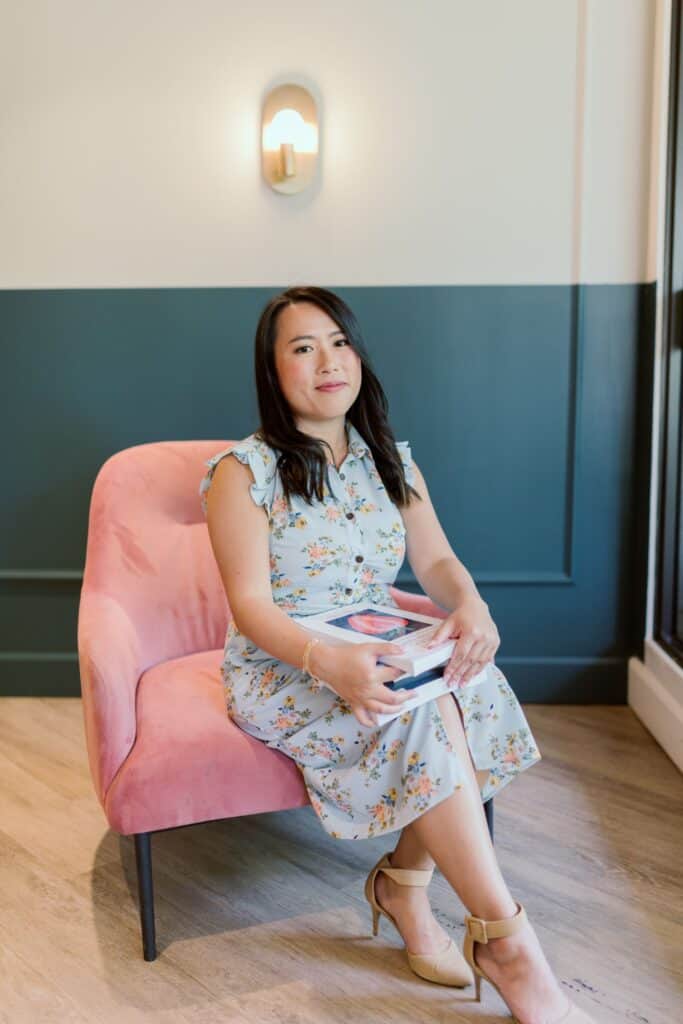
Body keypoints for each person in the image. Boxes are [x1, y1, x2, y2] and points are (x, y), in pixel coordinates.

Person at [199, 285, 595, 1023]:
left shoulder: (389, 458)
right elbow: (250, 609)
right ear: (272, 369)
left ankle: (403, 888)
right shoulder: (240, 471)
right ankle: (508, 945)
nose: (327, 361)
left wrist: (470, 606)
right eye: (302, 347)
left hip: (374, 638)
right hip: (286, 664)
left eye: (338, 342)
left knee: (471, 687)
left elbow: (438, 562)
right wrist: (330, 663)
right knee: (419, 713)